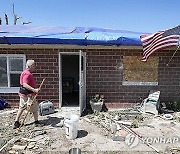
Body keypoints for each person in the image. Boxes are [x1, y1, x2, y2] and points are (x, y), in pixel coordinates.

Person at [13, 60, 41, 129]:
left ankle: (16, 122)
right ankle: (36, 122)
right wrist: (34, 90)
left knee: (21, 108)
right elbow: (25, 84)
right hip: (29, 95)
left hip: (23, 94)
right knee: (34, 109)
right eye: (34, 65)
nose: (35, 67)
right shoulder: (28, 74)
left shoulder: (24, 72)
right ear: (29, 66)